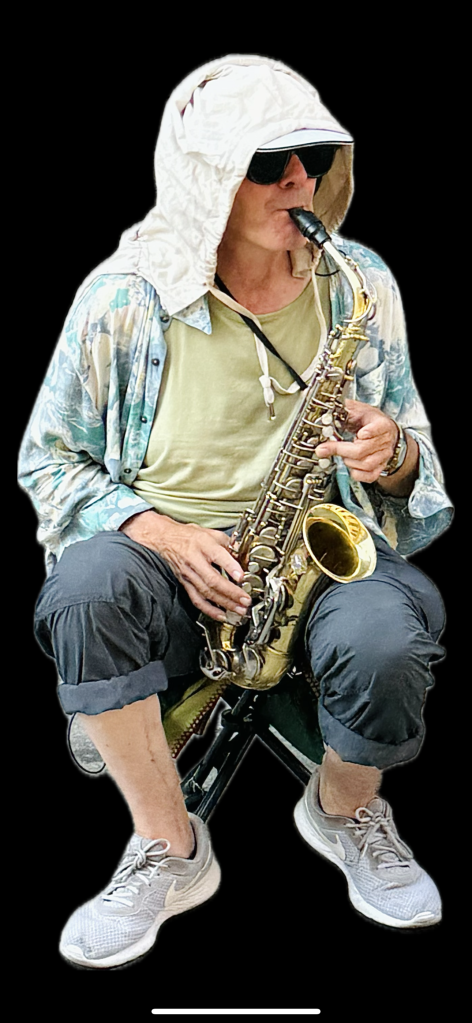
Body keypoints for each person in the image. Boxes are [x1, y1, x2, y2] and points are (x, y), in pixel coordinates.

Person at [18, 55, 453, 969]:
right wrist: (164, 535)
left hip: (312, 549)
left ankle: (345, 811)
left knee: (391, 635)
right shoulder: (124, 298)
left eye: (312, 156)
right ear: (207, 175)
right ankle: (167, 846)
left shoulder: (359, 284)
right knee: (83, 591)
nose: (299, 182)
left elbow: (414, 448)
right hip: (167, 557)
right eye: (266, 163)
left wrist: (394, 454)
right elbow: (47, 459)